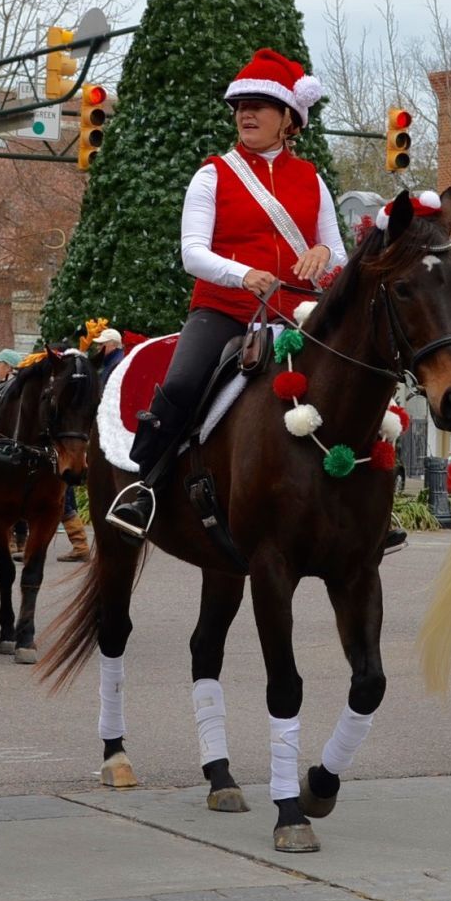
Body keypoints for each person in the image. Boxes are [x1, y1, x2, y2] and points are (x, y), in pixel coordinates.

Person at [108, 48, 347, 537]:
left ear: (289, 119)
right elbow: (192, 253)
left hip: (297, 312)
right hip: (225, 309)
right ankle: (144, 487)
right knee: (181, 383)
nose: (246, 113)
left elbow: (340, 257)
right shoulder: (213, 174)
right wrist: (243, 275)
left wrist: (323, 254)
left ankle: (359, 498)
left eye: (259, 104)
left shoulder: (313, 181)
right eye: (240, 104)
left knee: (353, 383)